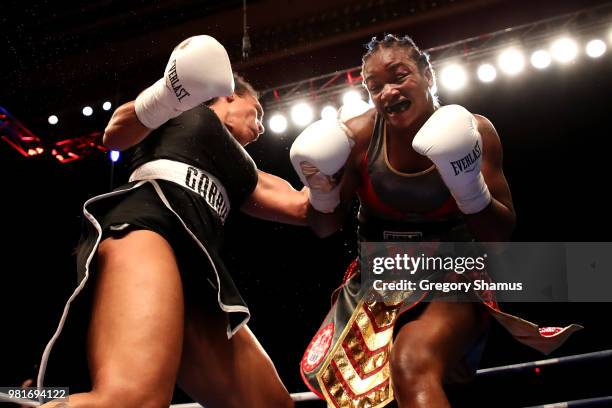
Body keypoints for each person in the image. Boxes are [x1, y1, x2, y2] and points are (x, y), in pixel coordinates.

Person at [291, 34, 581, 408]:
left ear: (427, 75)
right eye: (374, 86)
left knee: (411, 363)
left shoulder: (475, 131)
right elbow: (324, 227)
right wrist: (321, 191)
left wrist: (468, 187)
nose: (387, 93)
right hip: (378, 283)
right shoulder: (359, 138)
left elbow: (498, 235)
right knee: (361, 398)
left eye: (399, 77)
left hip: (453, 276)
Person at [38, 35, 308, 408]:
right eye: (257, 112)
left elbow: (304, 208)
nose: (261, 128)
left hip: (200, 273)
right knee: (132, 401)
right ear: (230, 94)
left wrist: (339, 161)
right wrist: (170, 91)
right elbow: (114, 134)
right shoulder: (186, 105)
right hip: (150, 230)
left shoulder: (245, 170)